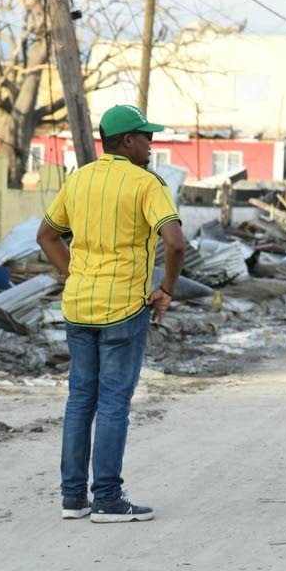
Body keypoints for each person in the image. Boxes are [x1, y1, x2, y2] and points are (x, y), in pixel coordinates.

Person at [36, 104, 185, 523]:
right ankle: (107, 499)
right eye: (146, 136)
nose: (152, 144)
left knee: (81, 399)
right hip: (123, 309)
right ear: (127, 141)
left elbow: (46, 236)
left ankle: (73, 499)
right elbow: (174, 243)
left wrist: (73, 273)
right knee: (115, 401)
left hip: (79, 306)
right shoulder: (145, 184)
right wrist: (167, 289)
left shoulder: (79, 179)